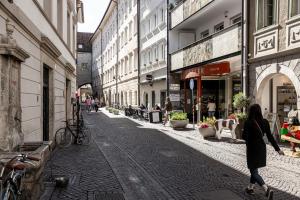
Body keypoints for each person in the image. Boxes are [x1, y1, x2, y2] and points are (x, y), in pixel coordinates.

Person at [242, 104, 284, 199]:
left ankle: (266, 189)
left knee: (253, 171)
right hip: (262, 148)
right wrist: (278, 149)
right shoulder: (265, 122)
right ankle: (250, 188)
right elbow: (270, 137)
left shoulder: (248, 122)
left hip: (252, 149)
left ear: (250, 112)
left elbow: (244, 136)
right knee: (254, 169)